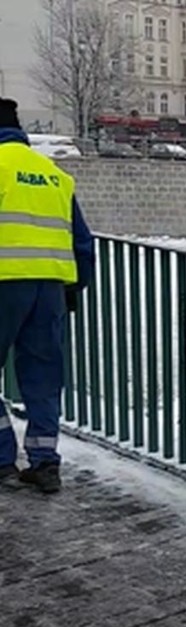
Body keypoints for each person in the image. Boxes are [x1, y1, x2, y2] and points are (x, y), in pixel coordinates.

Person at [0, 98, 94, 494]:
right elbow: (83, 244)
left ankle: (2, 458)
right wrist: (74, 288)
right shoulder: (53, 173)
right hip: (50, 288)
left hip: (4, 282)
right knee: (42, 378)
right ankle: (44, 463)